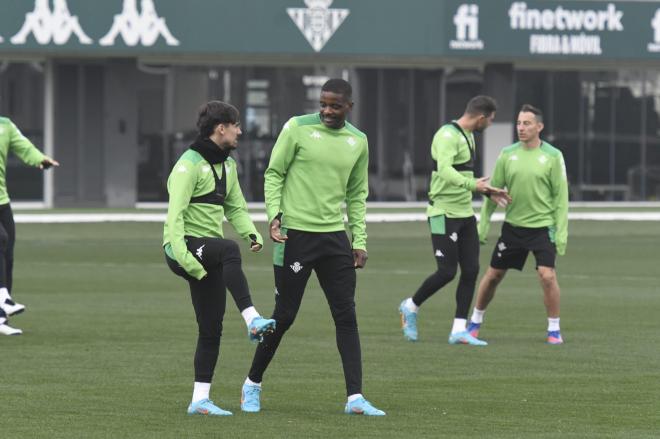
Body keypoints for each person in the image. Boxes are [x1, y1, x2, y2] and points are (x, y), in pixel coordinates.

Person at [240, 79, 385, 416]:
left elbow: (357, 194)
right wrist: (274, 216)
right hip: (295, 237)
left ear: (350, 106)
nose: (327, 111)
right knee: (285, 316)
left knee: (346, 314)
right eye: (323, 103)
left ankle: (355, 398)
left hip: (335, 238)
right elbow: (274, 173)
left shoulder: (358, 141)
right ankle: (252, 383)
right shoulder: (297, 128)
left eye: (335, 105)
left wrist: (359, 240)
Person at [163, 101, 276, 416]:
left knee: (211, 327)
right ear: (221, 128)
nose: (240, 131)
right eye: (236, 125)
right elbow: (174, 218)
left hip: (206, 252)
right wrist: (185, 259)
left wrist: (251, 233)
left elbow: (235, 207)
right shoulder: (188, 164)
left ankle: (199, 400)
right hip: (183, 247)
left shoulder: (228, 165)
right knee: (228, 250)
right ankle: (252, 318)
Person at [398, 95, 510, 346]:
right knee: (447, 271)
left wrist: (487, 189)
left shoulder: (468, 135)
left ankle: (459, 330)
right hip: (442, 213)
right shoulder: (446, 136)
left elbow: (463, 174)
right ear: (481, 117)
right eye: (490, 120)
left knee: (470, 270)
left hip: (464, 213)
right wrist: (474, 185)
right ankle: (410, 306)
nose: (490, 125)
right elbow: (445, 170)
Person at [468, 104, 568, 345]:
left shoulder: (553, 156)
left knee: (547, 276)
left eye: (527, 123)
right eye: (519, 123)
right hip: (513, 228)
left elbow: (561, 198)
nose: (521, 128)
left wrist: (561, 234)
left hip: (543, 228)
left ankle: (554, 329)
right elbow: (493, 193)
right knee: (493, 276)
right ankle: (475, 322)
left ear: (539, 127)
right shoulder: (507, 154)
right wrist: (483, 226)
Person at [0, 116, 59, 336]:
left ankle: (1, 316)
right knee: (1, 240)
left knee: (8, 256)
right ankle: (3, 297)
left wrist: (40, 159)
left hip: (2, 202)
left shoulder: (5, 125)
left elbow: (24, 146)